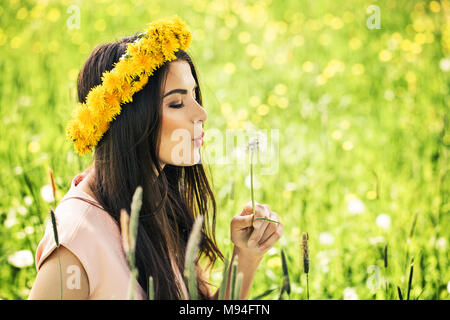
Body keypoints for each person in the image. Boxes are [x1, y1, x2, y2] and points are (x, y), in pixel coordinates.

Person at [28, 15, 283, 300]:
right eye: (176, 103)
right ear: (131, 121)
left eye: (195, 96)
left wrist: (245, 257)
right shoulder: (76, 239)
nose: (201, 114)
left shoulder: (162, 201)